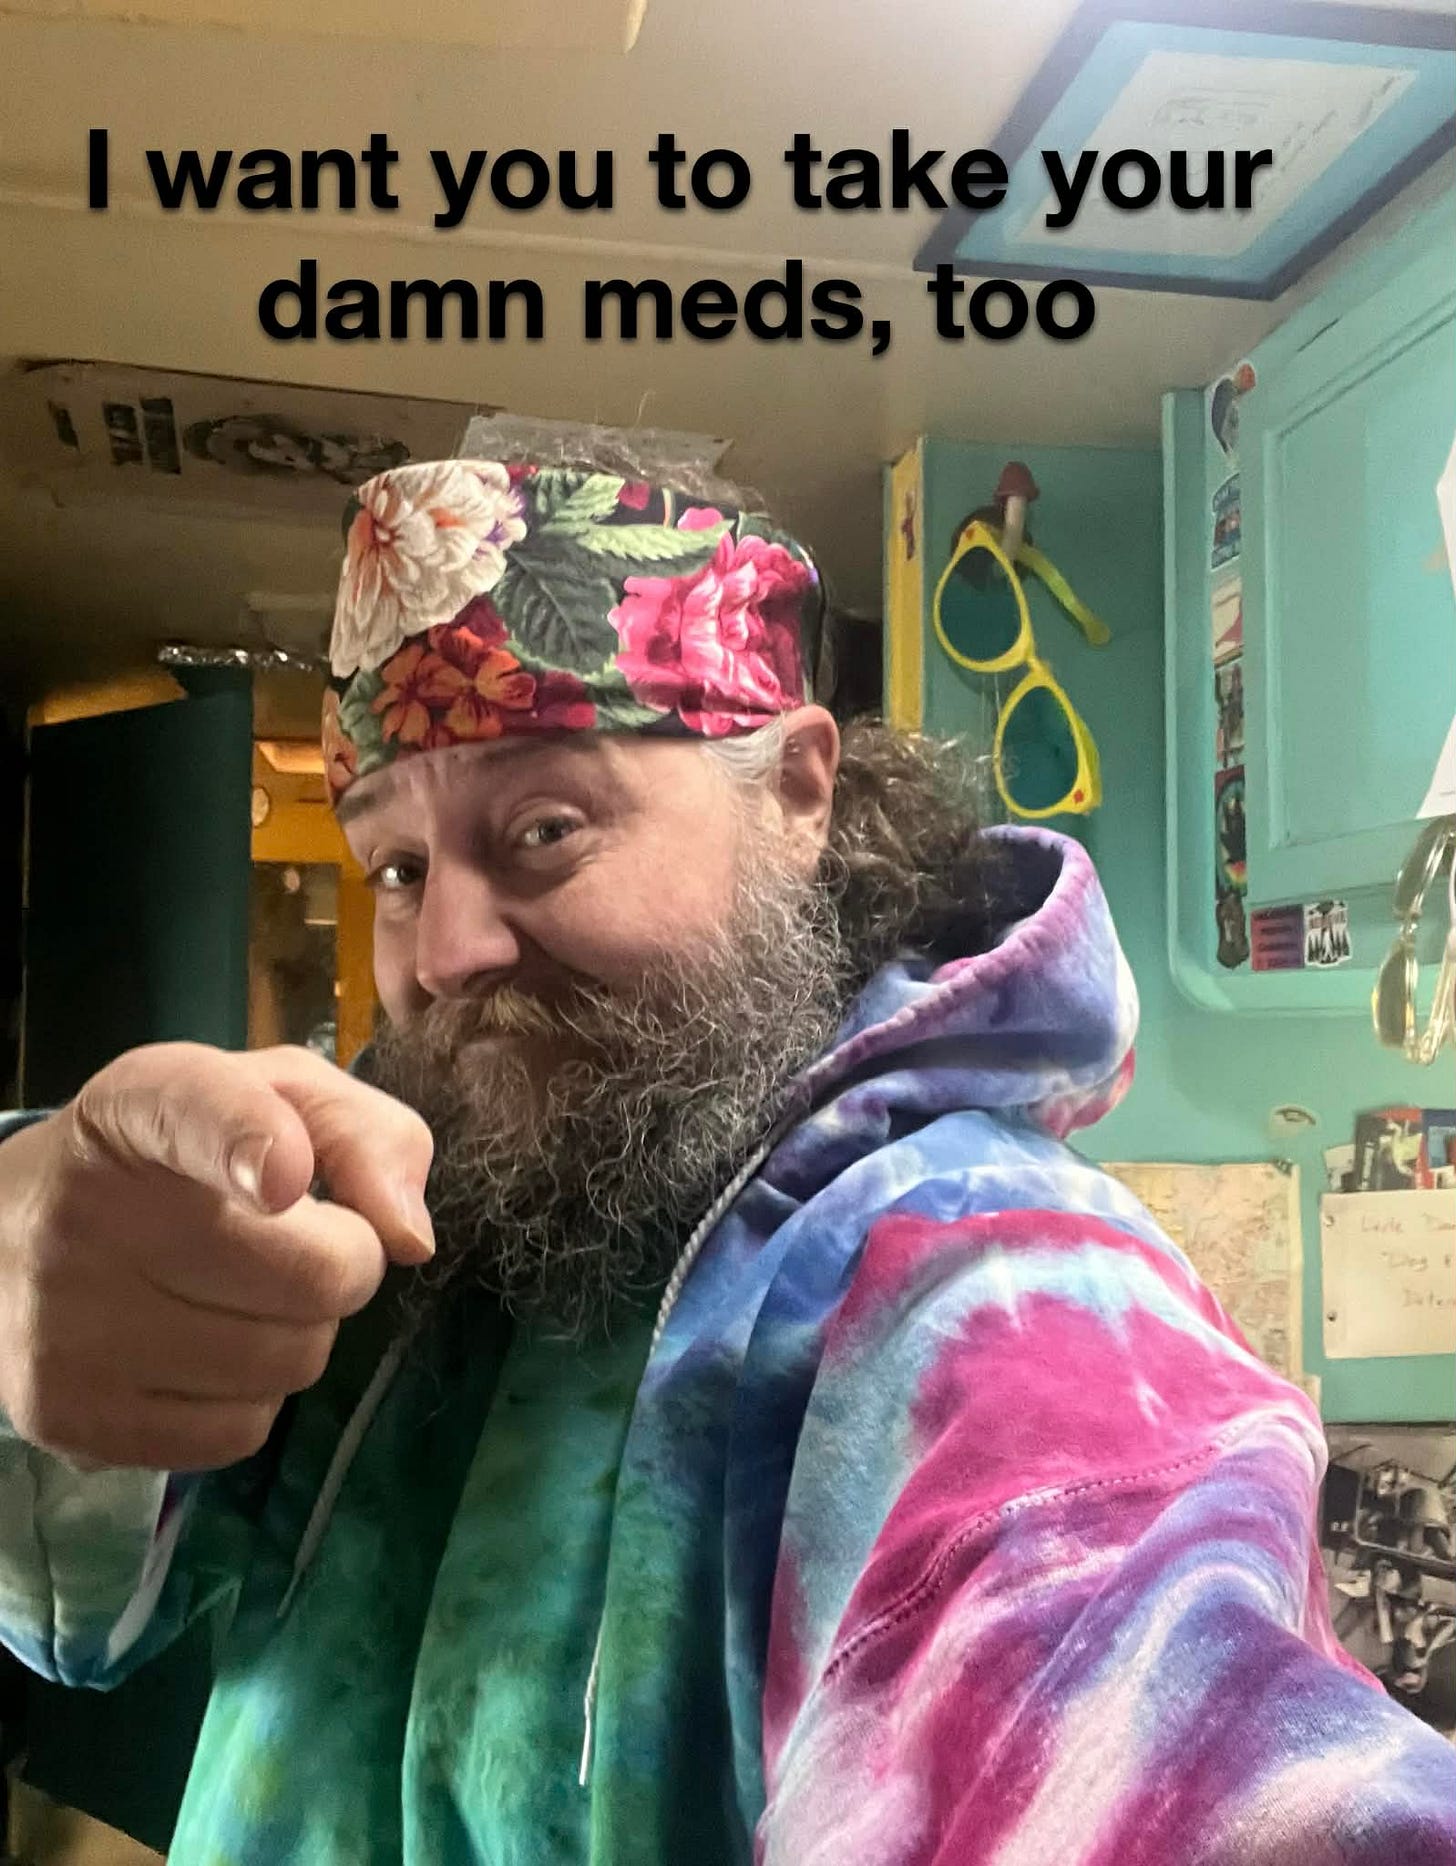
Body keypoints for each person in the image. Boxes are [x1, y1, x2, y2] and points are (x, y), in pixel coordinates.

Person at [1, 449, 1453, 1866]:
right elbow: (72, 1602)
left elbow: (1148, 1725)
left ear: (798, 793)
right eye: (399, 868)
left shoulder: (983, 1280)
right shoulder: (427, 1211)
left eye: (546, 827)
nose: (441, 955)